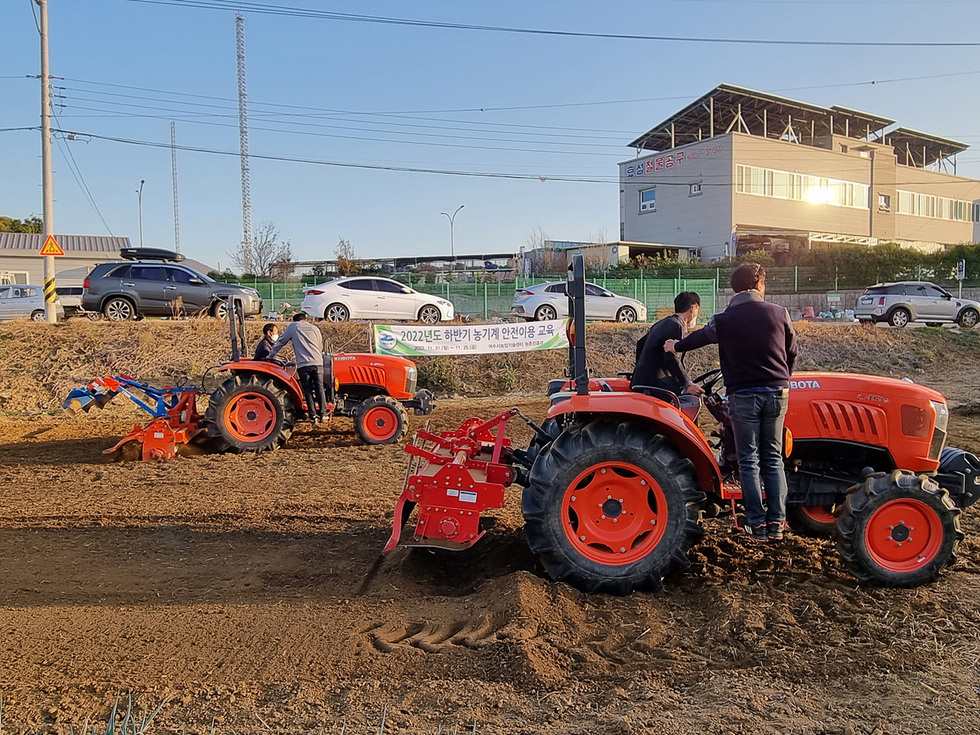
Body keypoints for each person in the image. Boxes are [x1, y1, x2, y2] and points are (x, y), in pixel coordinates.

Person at [665, 263, 798, 543]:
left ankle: (755, 523)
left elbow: (698, 338)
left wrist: (674, 347)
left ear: (735, 288)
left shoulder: (724, 319)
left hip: (743, 396)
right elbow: (792, 351)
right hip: (777, 394)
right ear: (760, 284)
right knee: (773, 458)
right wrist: (783, 378)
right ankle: (777, 522)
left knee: (748, 460)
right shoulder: (779, 313)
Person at [631, 291, 705, 397]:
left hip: (642, 382)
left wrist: (641, 369)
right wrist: (687, 383)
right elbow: (670, 358)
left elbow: (640, 344)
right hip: (656, 386)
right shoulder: (677, 326)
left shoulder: (662, 323)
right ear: (693, 308)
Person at [266, 312, 328, 425]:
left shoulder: (293, 327)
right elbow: (320, 346)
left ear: (295, 320)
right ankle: (324, 414)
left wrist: (270, 356)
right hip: (318, 362)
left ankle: (313, 416)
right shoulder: (315, 328)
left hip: (303, 364)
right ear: (305, 319)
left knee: (307, 390)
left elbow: (281, 342)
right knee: (319, 388)